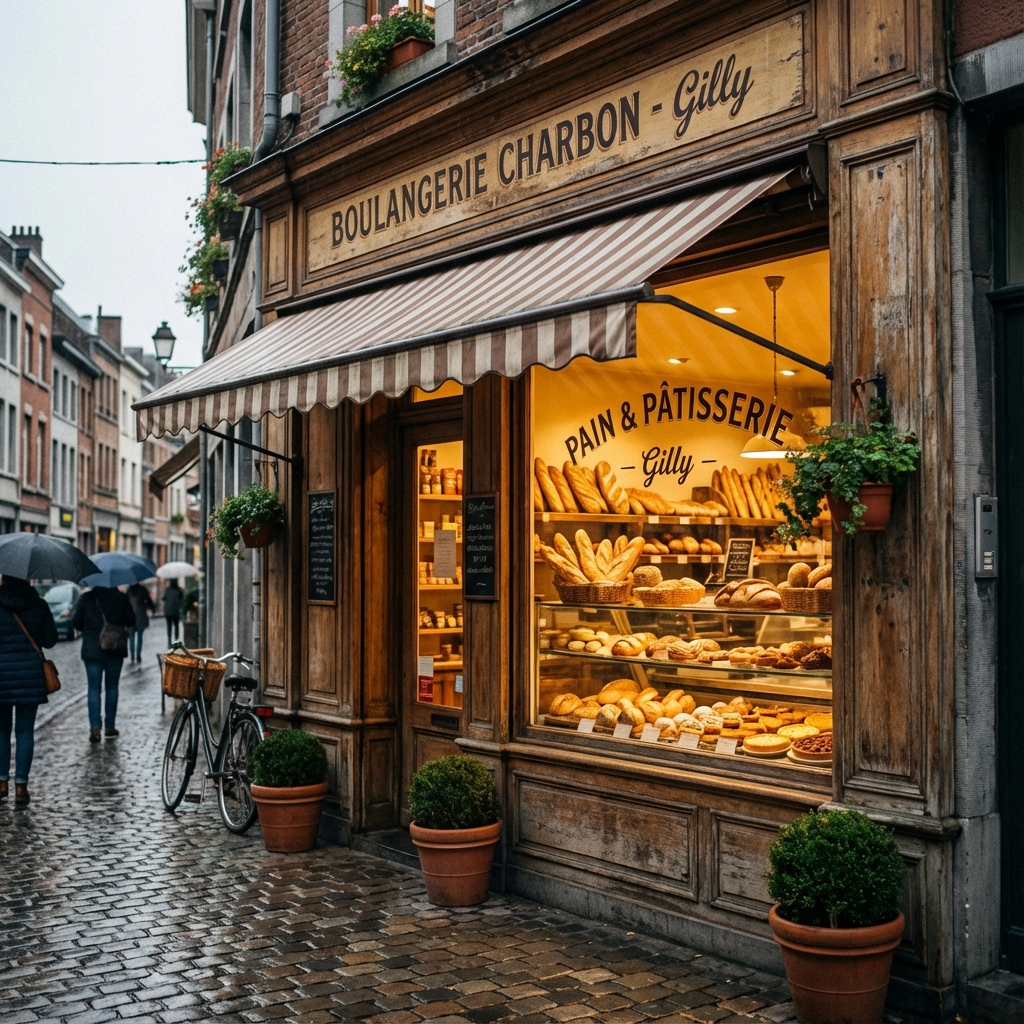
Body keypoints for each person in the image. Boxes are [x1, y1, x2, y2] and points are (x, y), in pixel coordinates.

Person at [0, 575, 58, 806]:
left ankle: (1, 783)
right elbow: (51, 639)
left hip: (1, 676)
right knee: (25, 732)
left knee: (2, 731)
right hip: (30, 676)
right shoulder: (39, 604)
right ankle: (21, 787)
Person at [70, 586, 136, 743]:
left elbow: (76, 622)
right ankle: (109, 727)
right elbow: (131, 620)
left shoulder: (86, 598)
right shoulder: (121, 598)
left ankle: (95, 729)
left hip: (92, 649)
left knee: (93, 689)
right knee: (112, 687)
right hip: (115, 647)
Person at [126, 581, 156, 664]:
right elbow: (149, 601)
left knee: (131, 637)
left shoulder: (128, 590)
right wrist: (152, 609)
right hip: (141, 616)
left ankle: (132, 656)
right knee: (140, 637)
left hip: (130, 617)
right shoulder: (142, 589)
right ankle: (138, 656)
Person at [163, 579, 183, 647]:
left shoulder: (167, 589)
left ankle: (169, 641)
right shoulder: (178, 589)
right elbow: (181, 597)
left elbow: (164, 598)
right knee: (176, 626)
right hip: (175, 611)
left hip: (168, 611)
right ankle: (176, 641)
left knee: (169, 627)